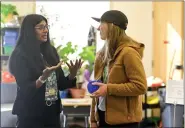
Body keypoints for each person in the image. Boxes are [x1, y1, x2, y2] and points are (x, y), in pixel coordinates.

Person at [8, 14, 82, 128]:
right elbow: (25, 88)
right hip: (30, 114)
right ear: (29, 30)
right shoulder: (20, 54)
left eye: (47, 27)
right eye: (41, 27)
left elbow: (61, 84)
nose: (46, 30)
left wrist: (72, 75)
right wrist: (42, 78)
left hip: (52, 112)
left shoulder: (50, 51)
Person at [90, 10, 147, 128]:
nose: (98, 28)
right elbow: (98, 87)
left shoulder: (129, 53)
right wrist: (93, 120)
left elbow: (140, 86)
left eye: (102, 23)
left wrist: (109, 89)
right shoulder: (102, 55)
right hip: (102, 118)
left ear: (112, 26)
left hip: (124, 122)